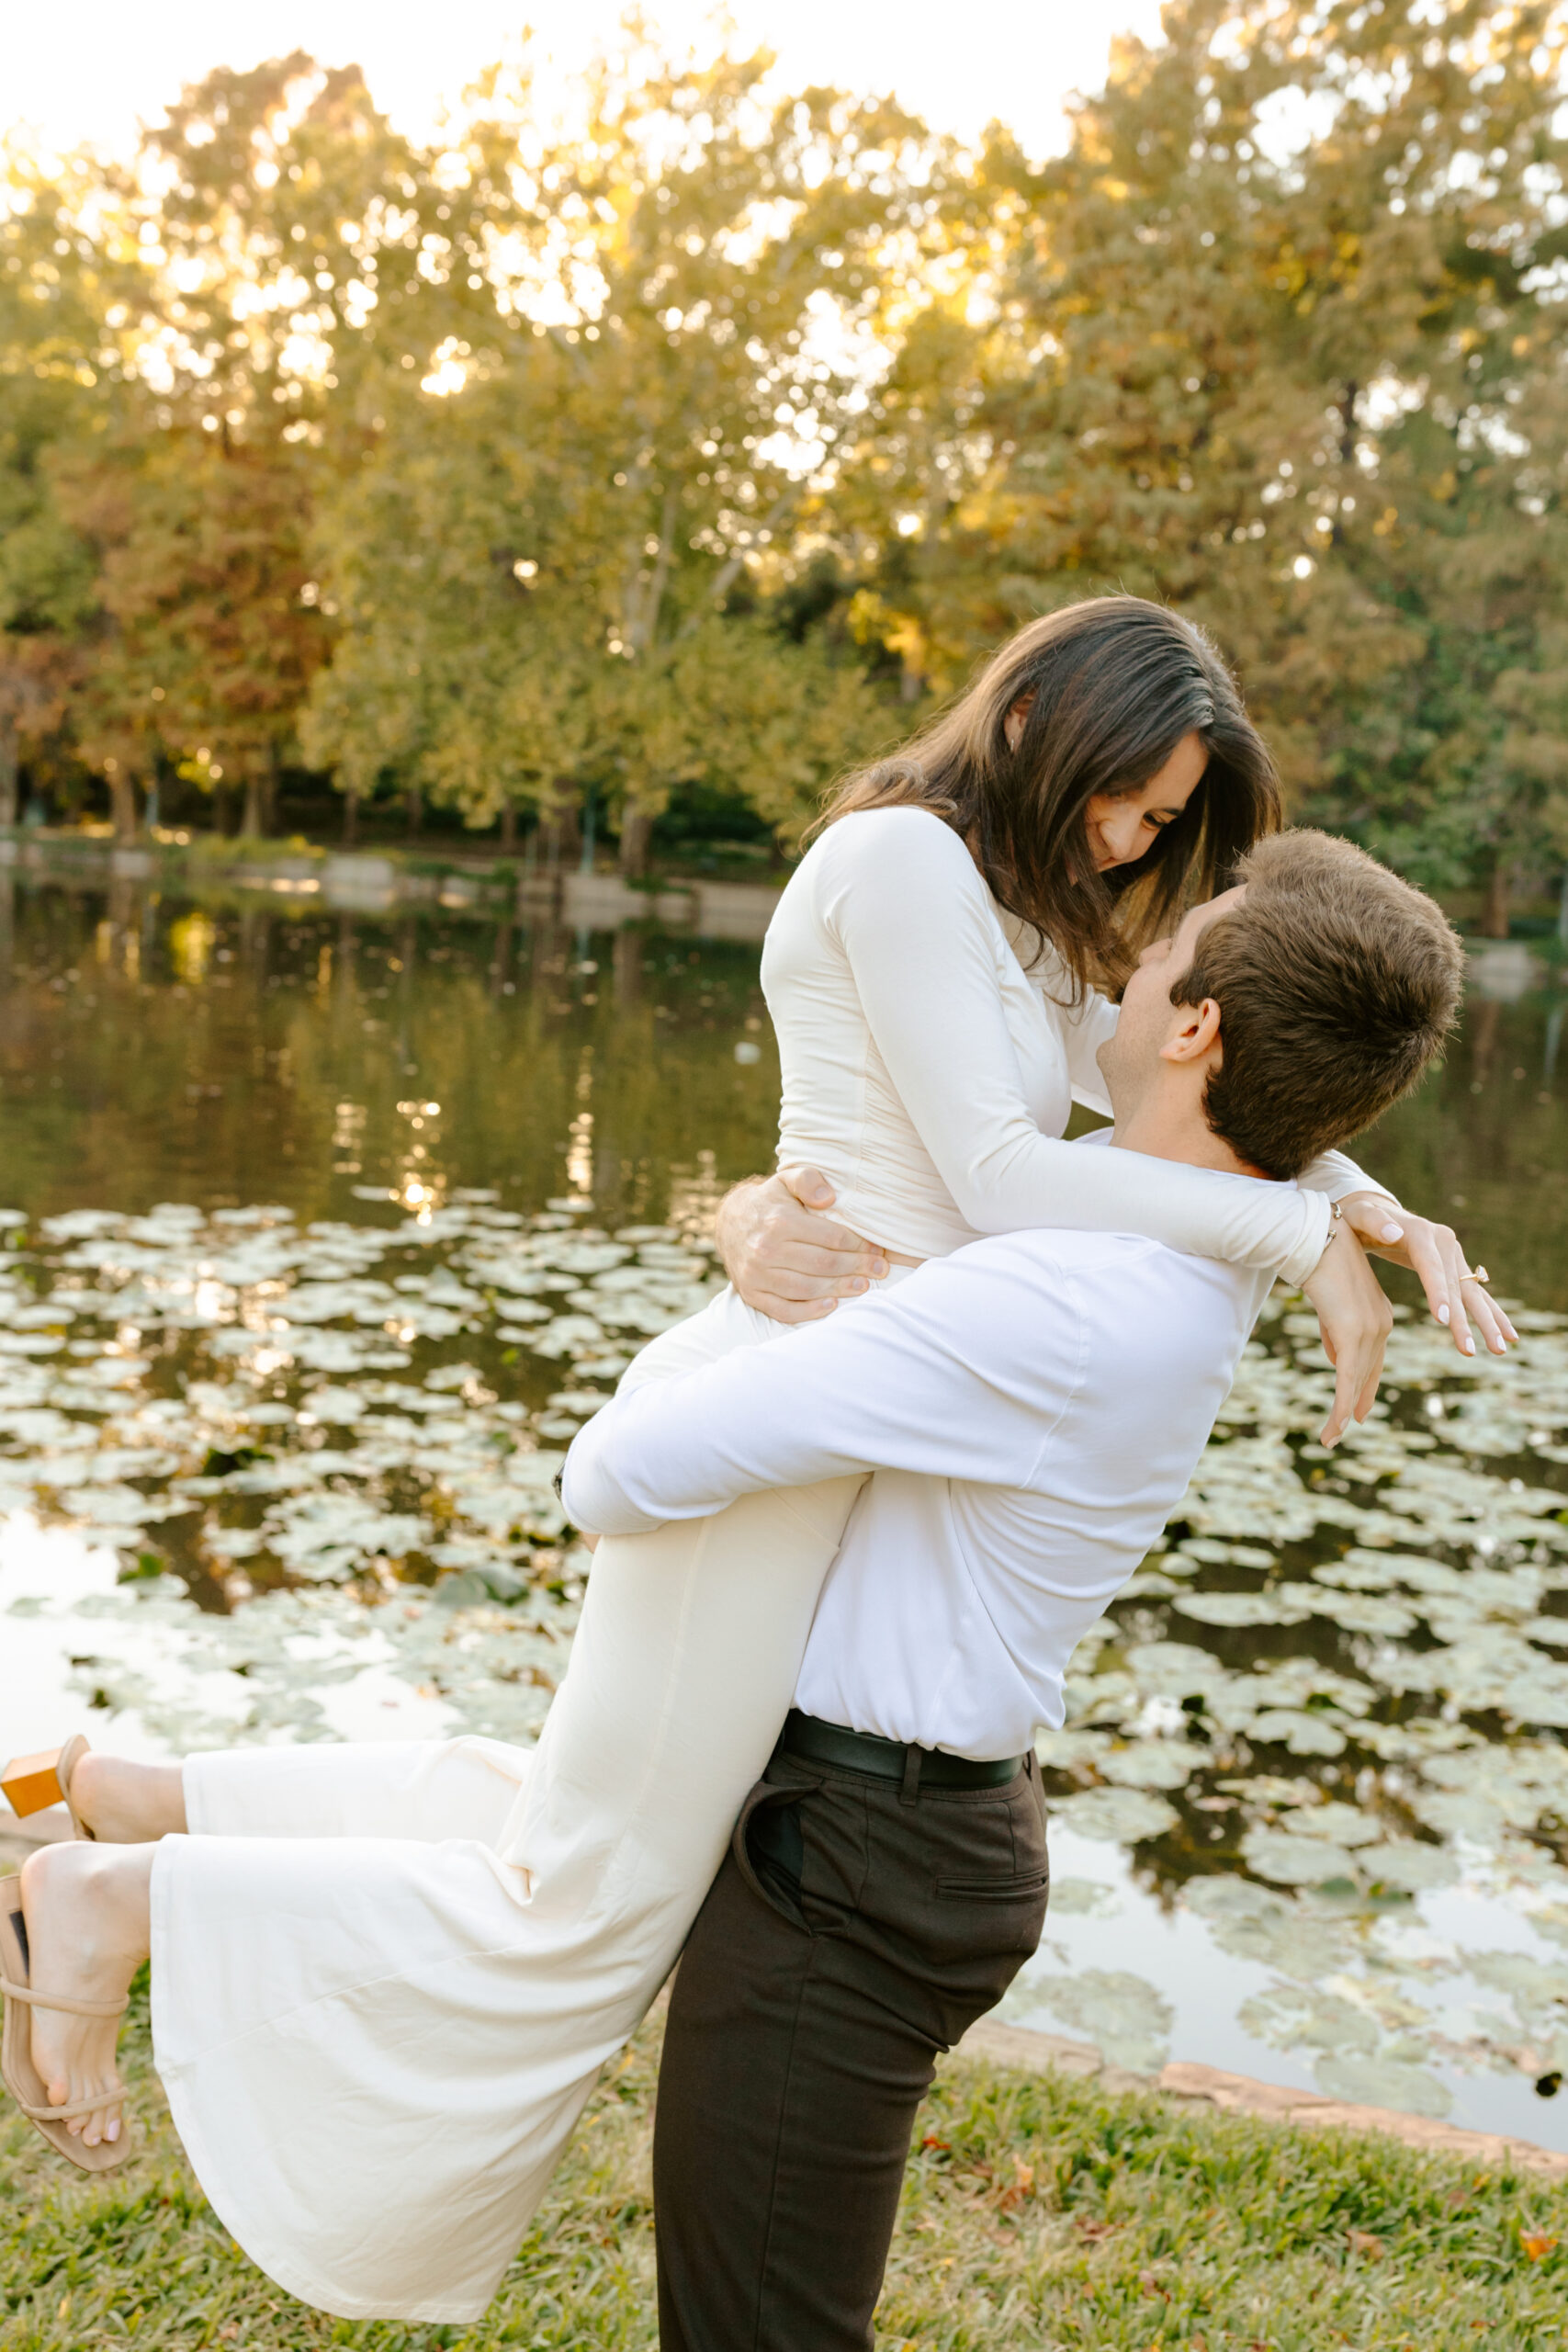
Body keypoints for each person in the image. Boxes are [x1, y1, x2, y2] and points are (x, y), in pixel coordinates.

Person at [0, 602, 1504, 2323]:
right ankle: (121, 1895)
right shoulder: (904, 867)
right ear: (1033, 720)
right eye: (1129, 806)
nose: (1131, 853)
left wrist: (1338, 1194)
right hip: (801, 1391)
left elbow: (1127, 1107)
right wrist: (1284, 1222)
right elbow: (1009, 1183)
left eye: (1165, 836)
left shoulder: (1010, 914)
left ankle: (122, 1810)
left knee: (578, 1816)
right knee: (588, 1898)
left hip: (836, 1389)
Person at [558, 830, 1475, 2352]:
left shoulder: (1059, 1295)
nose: (1118, 965)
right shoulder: (1146, 1225)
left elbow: (616, 1474)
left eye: (1161, 952)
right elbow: (1212, 1146)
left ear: (1194, 1029)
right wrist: (1334, 1200)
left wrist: (771, 1268)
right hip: (912, 1823)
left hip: (850, 1863)